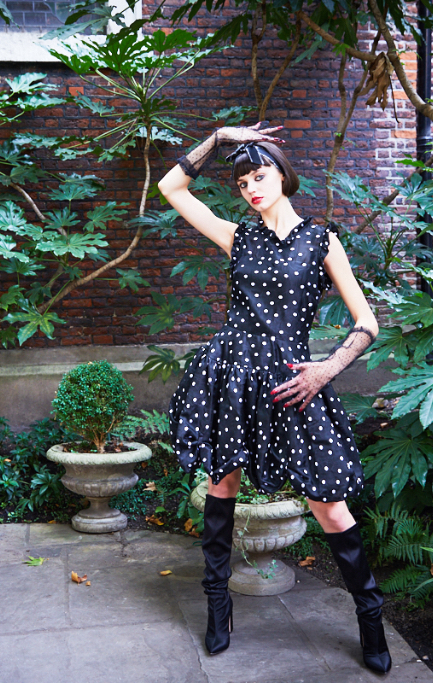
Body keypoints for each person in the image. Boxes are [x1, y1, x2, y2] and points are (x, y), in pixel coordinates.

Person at [157, 123, 391, 672]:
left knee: (329, 505)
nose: (251, 190)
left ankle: (370, 616)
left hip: (294, 380)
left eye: (259, 177)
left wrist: (326, 369)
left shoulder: (321, 240)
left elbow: (367, 322)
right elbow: (171, 187)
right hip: (234, 375)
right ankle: (218, 607)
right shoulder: (237, 236)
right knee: (223, 486)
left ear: (282, 176)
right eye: (242, 184)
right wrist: (218, 138)